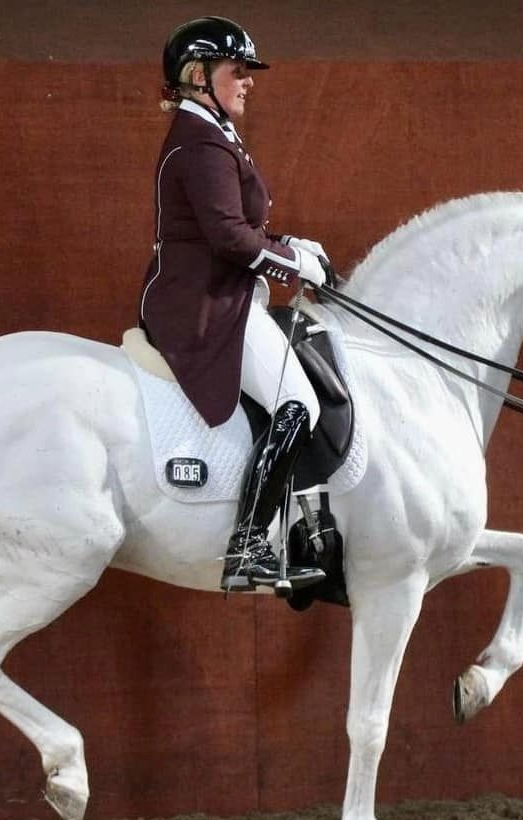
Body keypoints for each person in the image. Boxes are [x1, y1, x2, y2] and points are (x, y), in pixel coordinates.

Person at [138, 16, 329, 593]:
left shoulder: (212, 133)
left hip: (223, 290)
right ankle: (248, 545)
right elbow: (227, 238)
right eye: (236, 71)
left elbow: (235, 225)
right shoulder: (199, 142)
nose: (247, 82)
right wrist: (292, 266)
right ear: (199, 75)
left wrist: (288, 244)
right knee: (299, 404)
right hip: (204, 304)